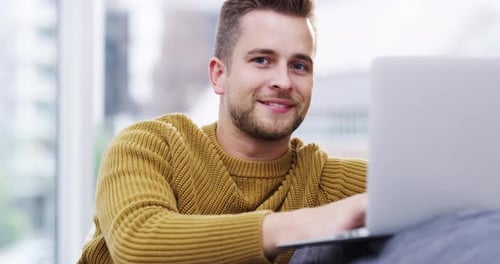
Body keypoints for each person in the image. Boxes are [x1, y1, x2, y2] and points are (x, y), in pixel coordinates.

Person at [78, 0, 367, 263]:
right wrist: (309, 224)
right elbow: (138, 245)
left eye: (299, 66)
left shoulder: (323, 179)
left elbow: (410, 192)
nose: (283, 81)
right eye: (262, 60)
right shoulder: (150, 147)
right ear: (219, 75)